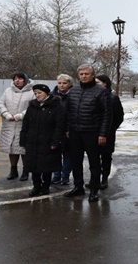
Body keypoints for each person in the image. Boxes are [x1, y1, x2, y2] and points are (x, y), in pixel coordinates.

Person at [64, 64, 112, 203]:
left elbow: (107, 115)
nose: (84, 76)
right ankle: (78, 186)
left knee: (94, 163)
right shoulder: (73, 91)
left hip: (92, 132)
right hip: (75, 132)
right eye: (81, 74)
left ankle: (94, 190)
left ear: (92, 75)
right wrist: (67, 129)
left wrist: (103, 134)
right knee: (75, 162)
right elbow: (68, 112)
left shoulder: (101, 91)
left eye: (86, 74)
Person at [19, 84, 65, 197]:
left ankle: (45, 186)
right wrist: (23, 138)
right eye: (35, 93)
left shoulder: (56, 106)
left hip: (48, 141)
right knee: (34, 166)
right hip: (32, 141)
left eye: (39, 93)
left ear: (46, 93)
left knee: (46, 166)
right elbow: (25, 124)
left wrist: (55, 141)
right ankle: (36, 186)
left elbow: (59, 126)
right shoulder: (32, 106)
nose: (37, 95)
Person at [0, 72, 34, 181]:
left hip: (24, 124)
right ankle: (13, 170)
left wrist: (19, 116)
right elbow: (1, 103)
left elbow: (32, 107)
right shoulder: (8, 91)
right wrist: (7, 115)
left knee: (23, 149)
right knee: (12, 148)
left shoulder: (31, 92)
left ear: (25, 80)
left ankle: (25, 170)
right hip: (9, 124)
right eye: (15, 78)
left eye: (20, 79)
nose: (17, 80)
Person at [94, 74, 124, 190]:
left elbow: (119, 117)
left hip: (108, 134)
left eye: (98, 83)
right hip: (92, 132)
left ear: (105, 83)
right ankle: (95, 179)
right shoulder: (92, 96)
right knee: (94, 157)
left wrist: (109, 129)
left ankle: (104, 179)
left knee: (105, 157)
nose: (96, 85)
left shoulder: (112, 98)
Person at [50, 74, 73, 185]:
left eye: (64, 83)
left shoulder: (74, 95)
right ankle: (56, 175)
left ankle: (65, 176)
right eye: (59, 83)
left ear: (69, 84)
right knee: (55, 153)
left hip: (69, 129)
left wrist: (69, 128)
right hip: (54, 129)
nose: (62, 85)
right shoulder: (51, 96)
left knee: (68, 154)